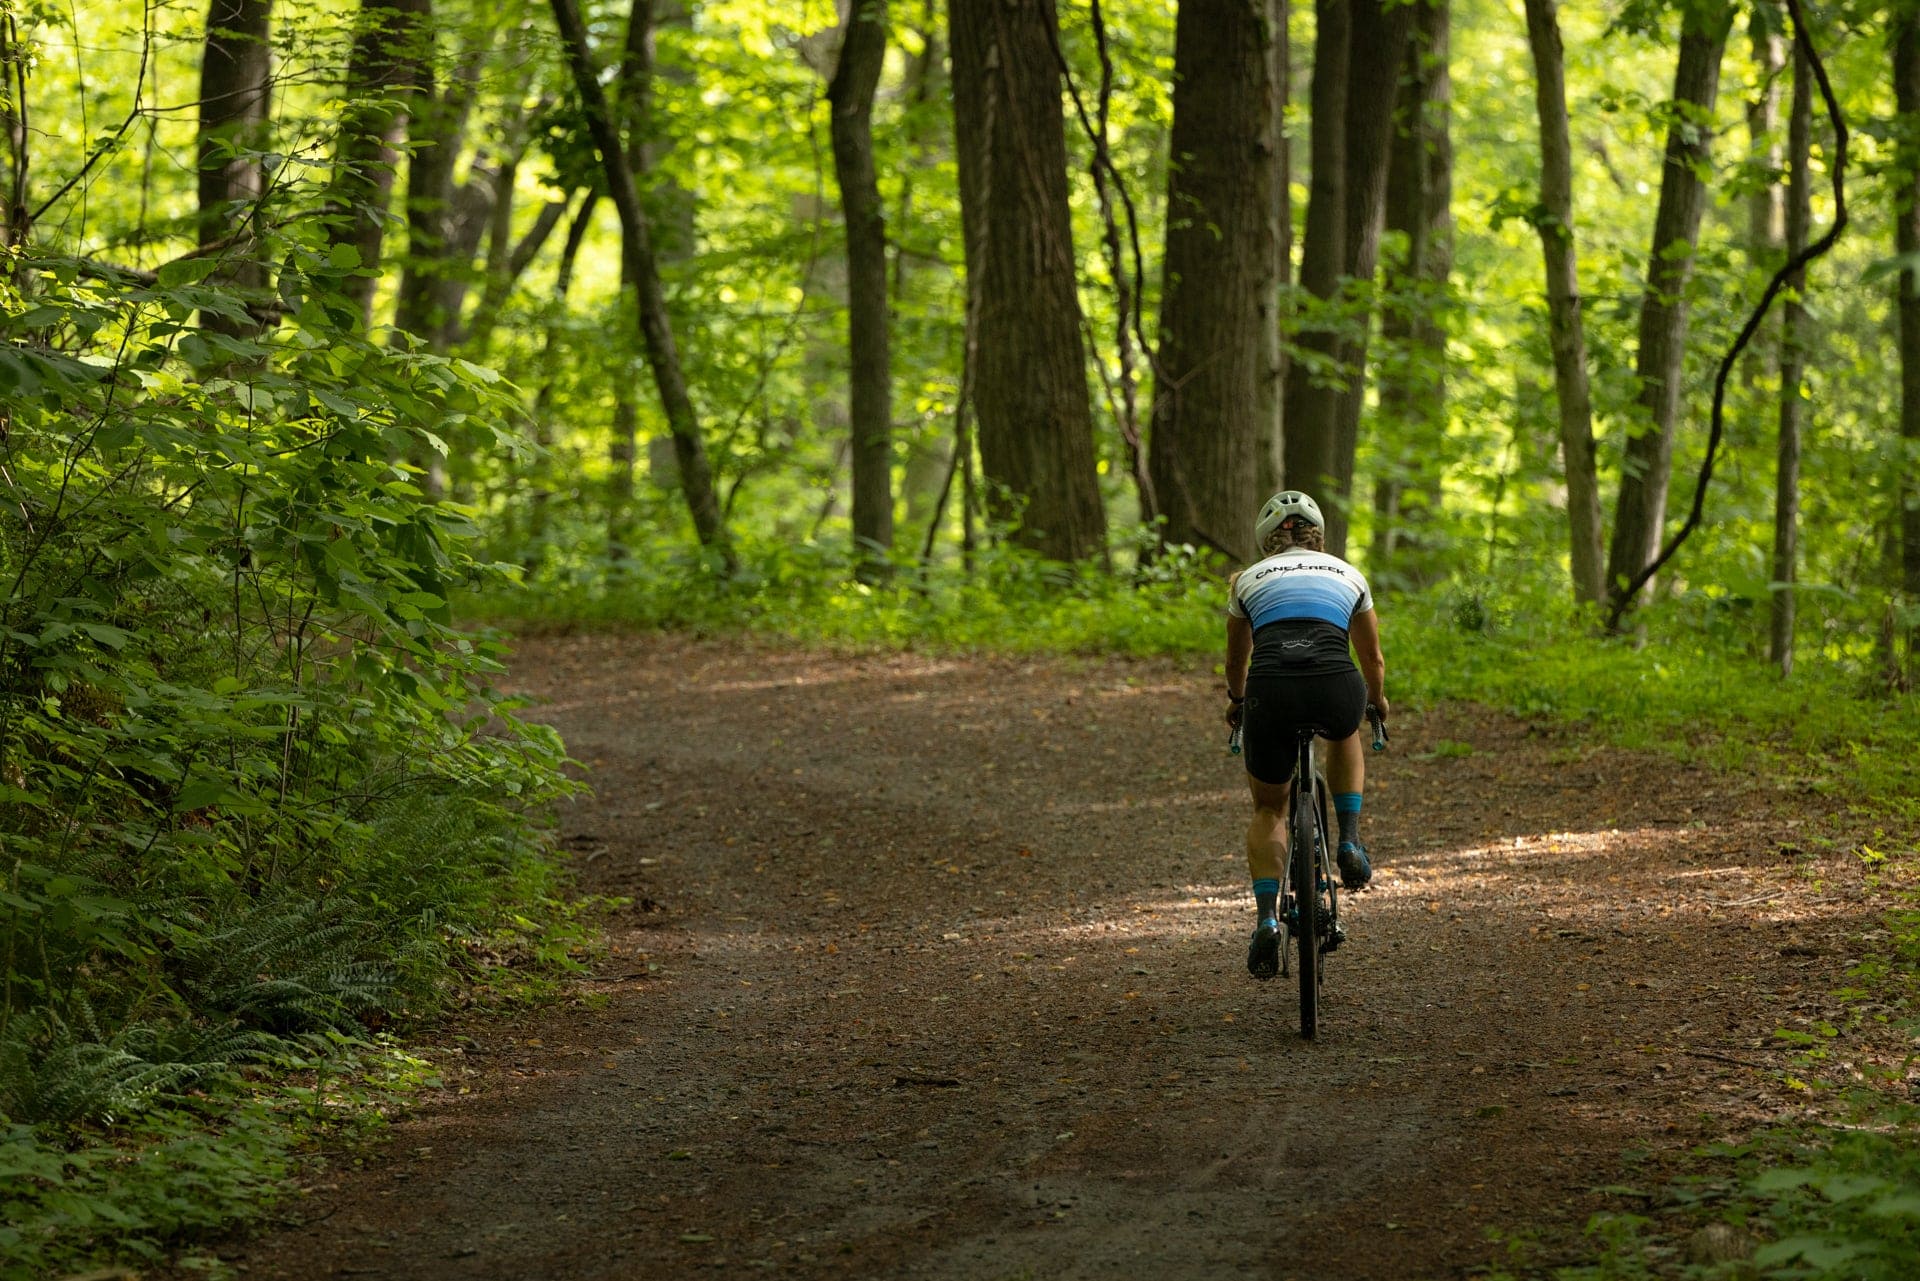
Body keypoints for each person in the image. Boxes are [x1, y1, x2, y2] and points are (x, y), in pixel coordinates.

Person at [1224, 490, 1388, 981]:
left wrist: (1236, 703)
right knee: (1344, 731)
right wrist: (1376, 701)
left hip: (1270, 691)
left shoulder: (1246, 580)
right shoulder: (1349, 574)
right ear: (1321, 536)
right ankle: (1351, 841)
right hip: (1334, 685)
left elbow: (1237, 662)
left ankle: (1268, 918)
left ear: (1265, 541)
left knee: (1268, 807)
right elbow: (1371, 659)